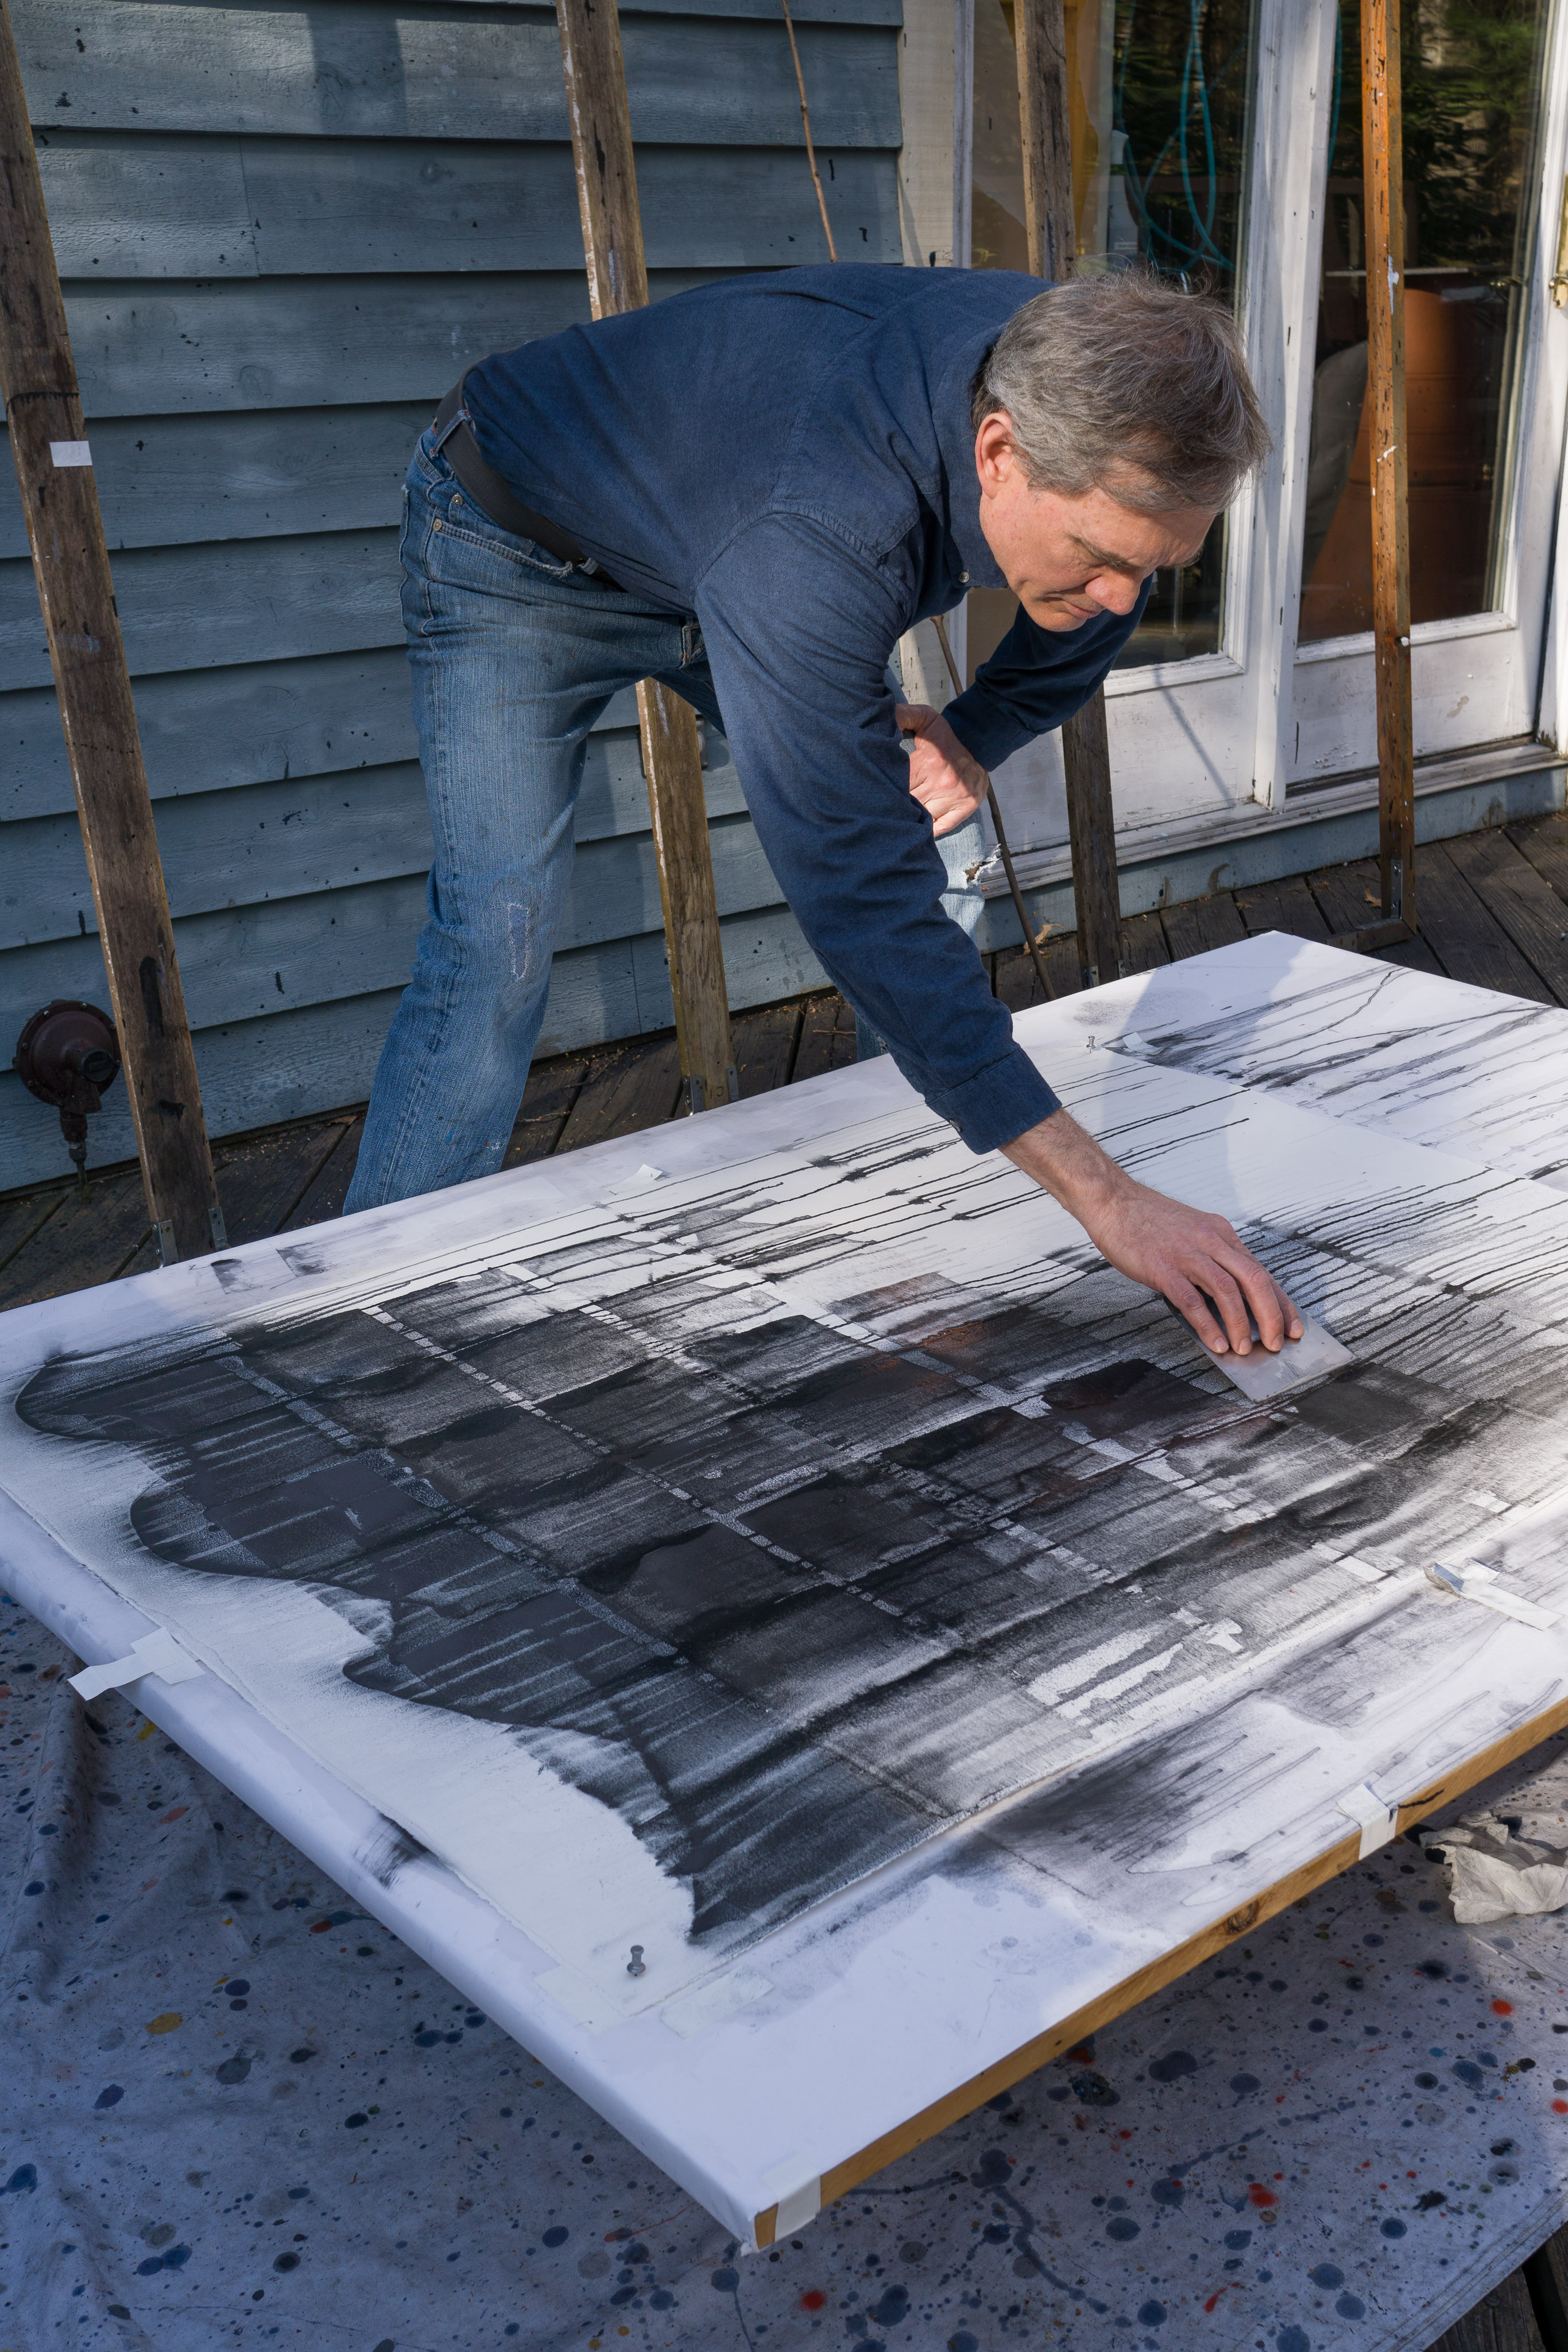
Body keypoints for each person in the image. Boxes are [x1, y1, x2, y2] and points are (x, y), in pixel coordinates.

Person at [345, 264, 1301, 1363]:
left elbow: (1094, 589)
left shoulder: (1086, 381)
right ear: (999, 453)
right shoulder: (825, 528)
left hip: (724, 524)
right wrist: (1108, 1199)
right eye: (1099, 560)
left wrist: (974, 736)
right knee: (498, 937)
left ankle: (907, 1196)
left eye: (1159, 568)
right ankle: (361, 1317)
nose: (1124, 605)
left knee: (925, 821)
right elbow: (858, 895)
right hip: (511, 546)